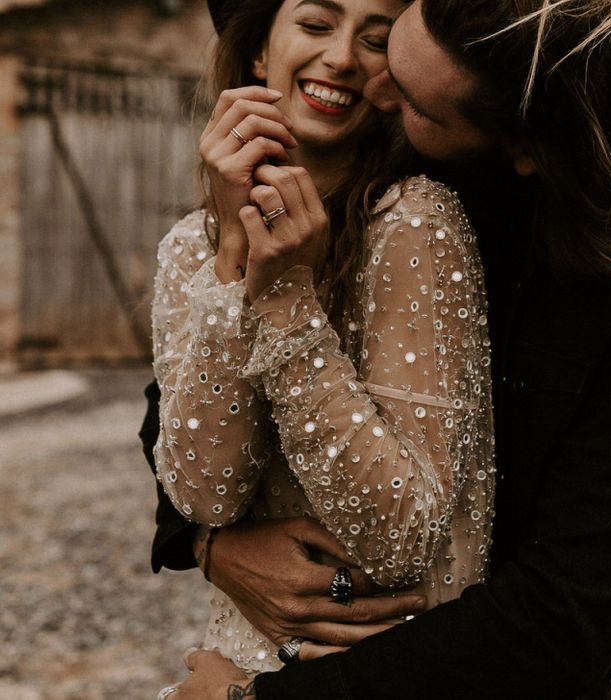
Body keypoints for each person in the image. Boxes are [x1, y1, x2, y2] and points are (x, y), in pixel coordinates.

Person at [140, 0, 611, 697]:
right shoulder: (362, 170)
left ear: (521, 147)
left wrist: (256, 699)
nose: (374, 84)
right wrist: (211, 546)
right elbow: (175, 411)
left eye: (411, 94)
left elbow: (565, 614)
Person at [149, 0, 496, 693]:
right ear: (257, 52)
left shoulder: (414, 221)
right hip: (234, 656)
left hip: (375, 672)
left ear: (394, 79)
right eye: (314, 25)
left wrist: (284, 299)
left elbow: (403, 536)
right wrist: (236, 254)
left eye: (373, 40)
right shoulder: (191, 246)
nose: (339, 57)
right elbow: (204, 495)